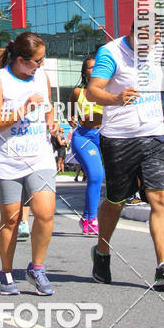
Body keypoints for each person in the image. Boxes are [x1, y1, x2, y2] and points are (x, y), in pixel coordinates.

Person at [87, 21, 164, 290]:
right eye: (141, 41)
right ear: (131, 33)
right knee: (116, 200)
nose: (147, 47)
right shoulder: (111, 52)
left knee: (160, 198)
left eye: (152, 41)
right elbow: (92, 91)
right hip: (120, 137)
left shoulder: (158, 52)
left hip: (155, 134)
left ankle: (163, 267)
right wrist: (116, 98)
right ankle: (102, 252)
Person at [0, 32, 58, 297]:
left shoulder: (42, 77)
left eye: (42, 59)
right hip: (7, 160)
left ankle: (36, 268)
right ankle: (5, 273)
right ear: (20, 60)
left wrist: (52, 123)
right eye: (36, 61)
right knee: (11, 219)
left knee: (45, 212)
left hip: (40, 156)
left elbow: (48, 108)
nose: (40, 65)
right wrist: (22, 111)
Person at [68, 57, 105, 235]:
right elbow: (69, 112)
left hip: (105, 136)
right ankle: (92, 219)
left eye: (96, 67)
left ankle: (86, 217)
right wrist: (71, 118)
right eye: (90, 67)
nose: (94, 69)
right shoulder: (78, 92)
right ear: (84, 72)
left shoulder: (108, 90)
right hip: (84, 137)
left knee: (104, 177)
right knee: (97, 175)